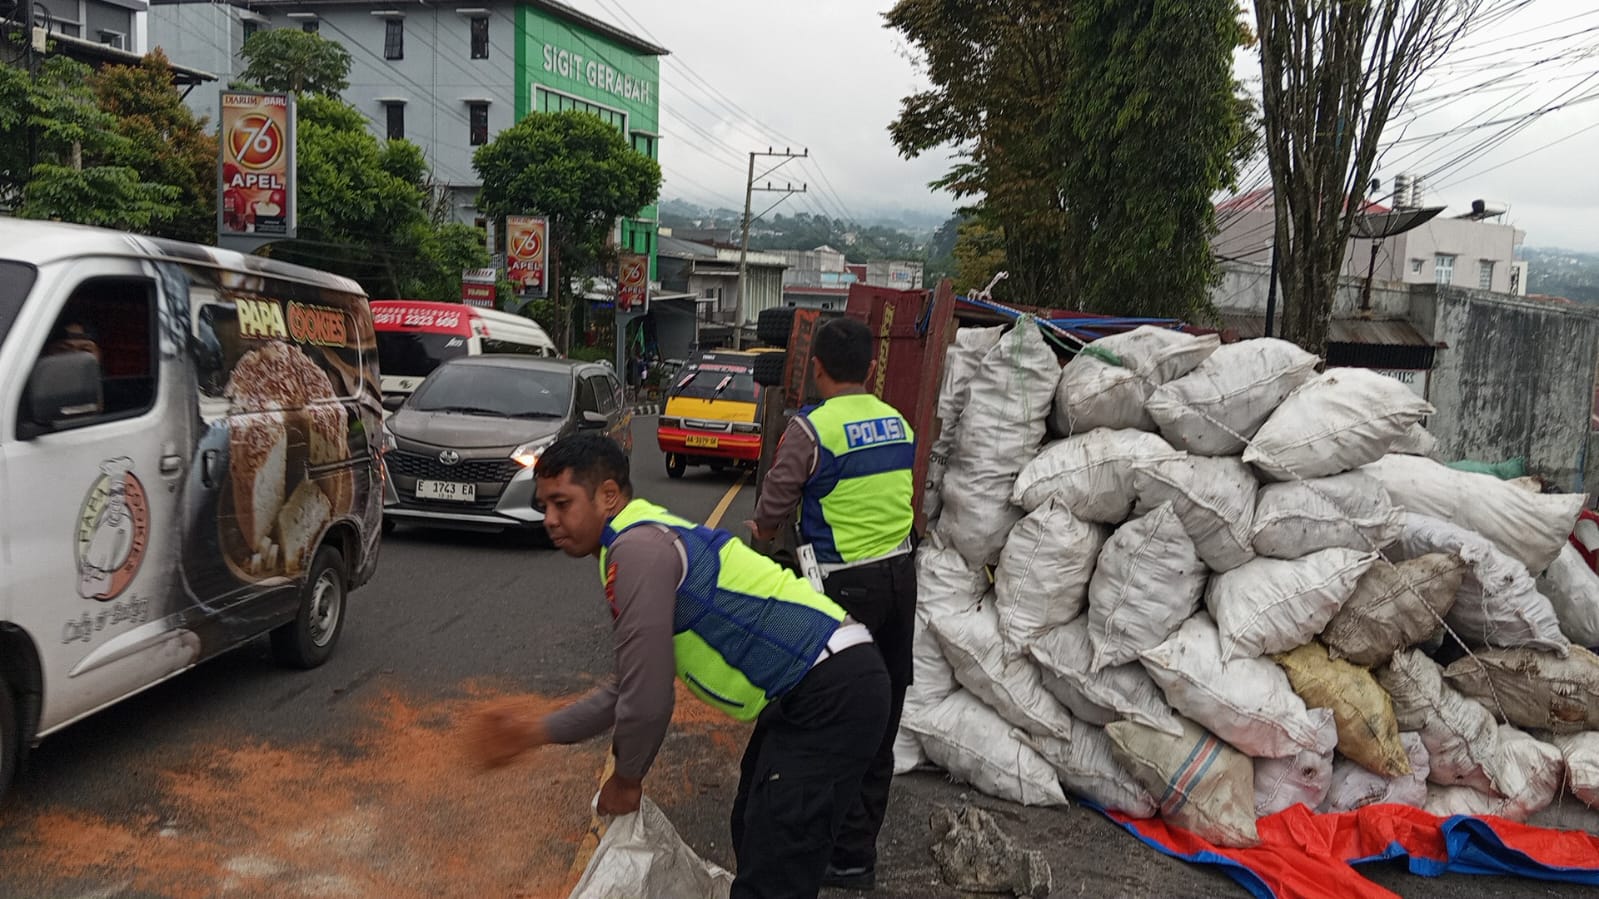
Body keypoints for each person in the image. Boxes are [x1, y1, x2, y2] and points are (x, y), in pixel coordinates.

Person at [465, 434, 890, 899]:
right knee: (754, 827)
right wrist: (536, 732)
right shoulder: (634, 539)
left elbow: (648, 697)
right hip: (820, 685)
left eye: (561, 503)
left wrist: (627, 779)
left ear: (608, 495)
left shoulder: (637, 550)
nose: (549, 519)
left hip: (831, 690)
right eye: (543, 505)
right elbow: (628, 689)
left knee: (775, 869)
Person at [745, 316, 917, 891]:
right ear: (871, 368)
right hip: (901, 580)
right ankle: (855, 856)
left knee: (821, 717)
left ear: (816, 368)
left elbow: (772, 507)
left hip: (843, 590)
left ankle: (804, 847)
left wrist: (761, 536)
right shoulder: (898, 423)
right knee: (881, 715)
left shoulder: (811, 430)